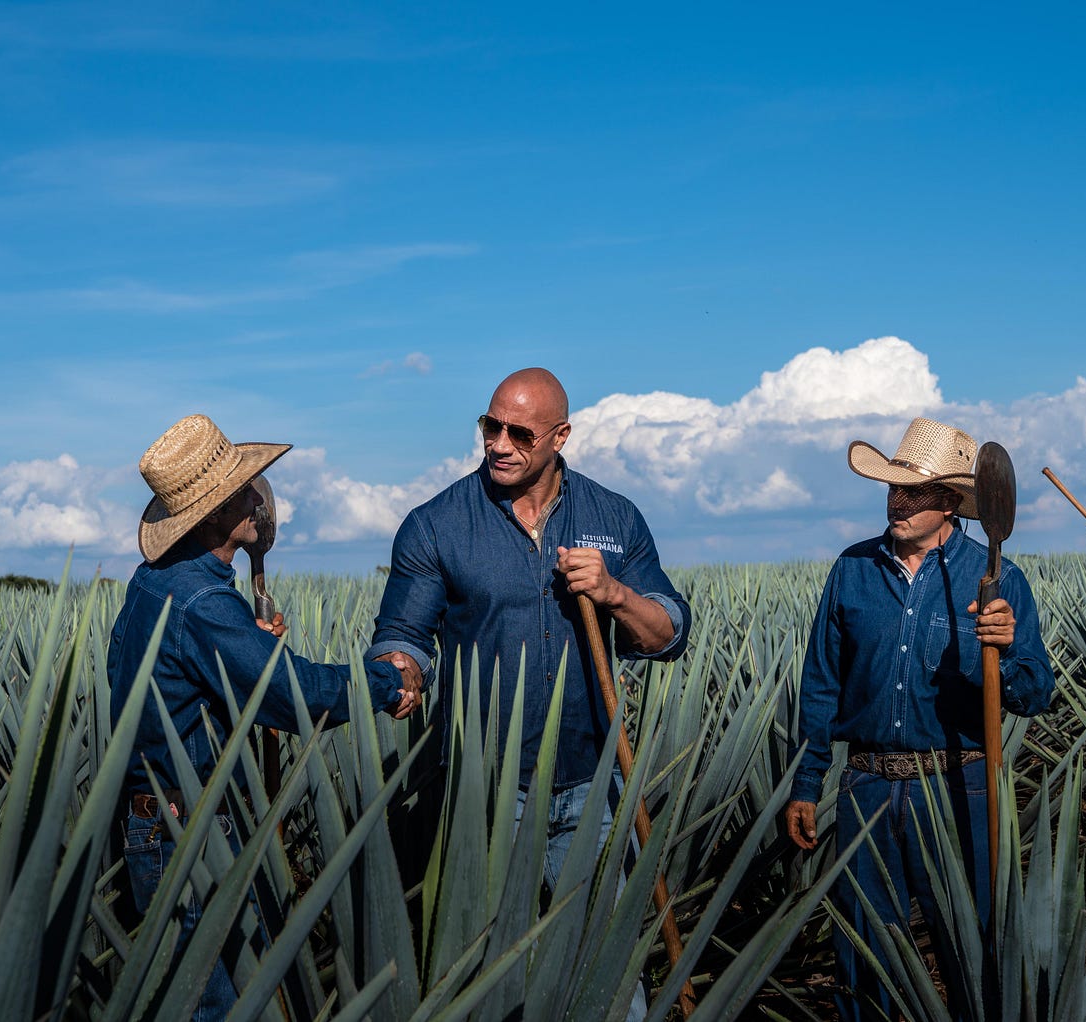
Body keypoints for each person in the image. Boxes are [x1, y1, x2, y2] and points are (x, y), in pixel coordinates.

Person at [366, 367, 691, 1020]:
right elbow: (402, 631)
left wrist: (614, 594)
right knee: (495, 976)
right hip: (487, 795)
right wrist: (401, 668)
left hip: (590, 785)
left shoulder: (612, 517)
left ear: (561, 436)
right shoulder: (438, 525)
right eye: (491, 426)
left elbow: (668, 633)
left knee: (606, 970)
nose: (500, 443)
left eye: (520, 432)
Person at [108, 413, 417, 1021]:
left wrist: (246, 646)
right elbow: (298, 694)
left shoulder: (158, 582)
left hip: (159, 822)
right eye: (243, 491)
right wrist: (389, 681)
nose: (257, 500)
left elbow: (185, 684)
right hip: (186, 834)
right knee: (213, 1008)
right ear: (218, 512)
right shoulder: (201, 601)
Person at [783, 417, 1055, 1022]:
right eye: (892, 489)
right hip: (868, 786)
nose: (897, 502)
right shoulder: (853, 568)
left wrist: (1006, 651)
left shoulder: (997, 577)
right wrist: (807, 784)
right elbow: (821, 685)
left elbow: (1038, 693)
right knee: (863, 947)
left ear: (953, 503)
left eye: (915, 493)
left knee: (972, 941)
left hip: (959, 784)